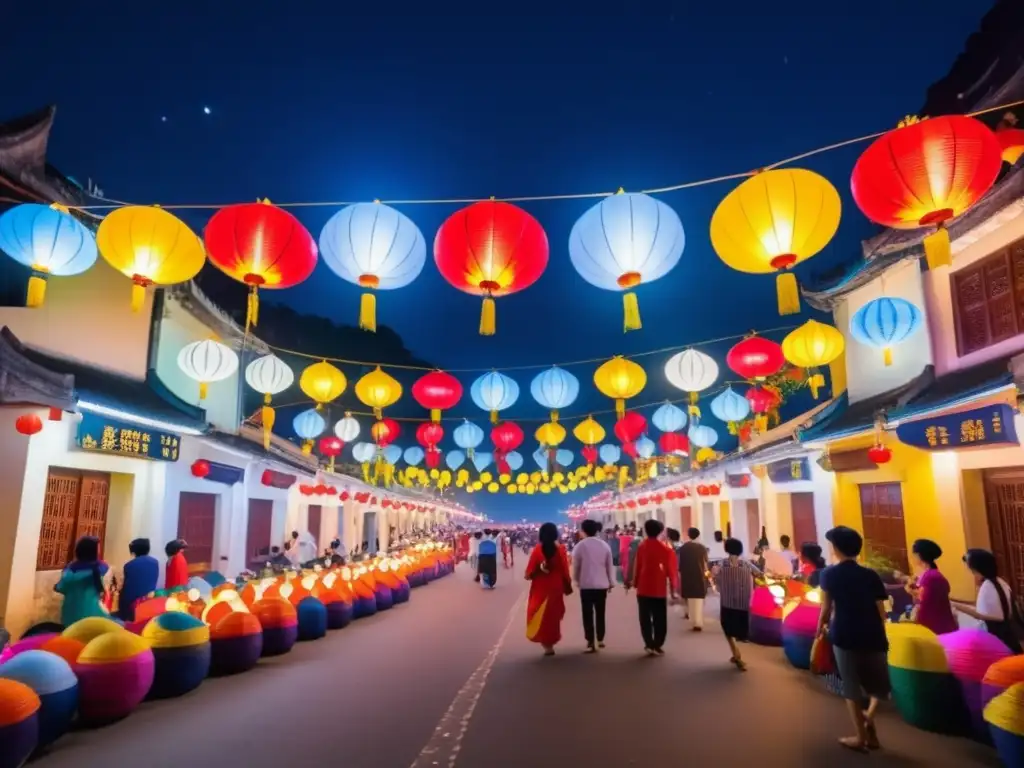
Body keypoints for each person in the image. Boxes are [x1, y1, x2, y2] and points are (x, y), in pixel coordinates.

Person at [816, 526, 890, 753]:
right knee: (879, 687)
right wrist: (884, 632)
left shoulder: (829, 574)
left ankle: (860, 736)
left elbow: (826, 607)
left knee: (851, 686)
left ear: (836, 548)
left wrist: (818, 631)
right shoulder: (870, 575)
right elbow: (881, 610)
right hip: (874, 633)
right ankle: (870, 722)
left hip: (845, 633)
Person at [952, 549, 1022, 653]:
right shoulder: (1000, 582)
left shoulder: (988, 586)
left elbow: (981, 615)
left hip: (996, 635)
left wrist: (955, 605)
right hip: (1008, 633)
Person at [626, 519, 679, 655]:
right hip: (659, 589)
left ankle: (648, 643)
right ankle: (658, 644)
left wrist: (635, 582)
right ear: (660, 531)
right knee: (660, 618)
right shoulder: (667, 550)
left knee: (644, 618)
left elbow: (638, 567)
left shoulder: (642, 547)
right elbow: (672, 573)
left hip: (643, 588)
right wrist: (674, 590)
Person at [525, 522, 571, 656]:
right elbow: (565, 570)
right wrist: (567, 585)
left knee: (538, 613)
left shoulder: (537, 550)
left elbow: (528, 573)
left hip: (540, 587)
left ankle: (546, 644)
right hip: (555, 586)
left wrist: (538, 570)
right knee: (553, 615)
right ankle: (550, 642)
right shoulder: (561, 549)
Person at [572, 518, 615, 653]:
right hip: (602, 585)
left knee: (587, 613)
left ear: (583, 531)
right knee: (600, 612)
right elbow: (609, 565)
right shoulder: (604, 545)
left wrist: (576, 580)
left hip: (586, 585)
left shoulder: (580, 546)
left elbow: (576, 566)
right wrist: (611, 582)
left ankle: (590, 640)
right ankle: (600, 639)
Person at [712, 538, 754, 671]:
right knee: (740, 629)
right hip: (743, 603)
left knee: (728, 629)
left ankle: (736, 653)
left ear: (726, 549)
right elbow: (760, 574)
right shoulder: (747, 564)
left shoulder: (721, 564)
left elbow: (716, 580)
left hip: (727, 603)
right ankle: (736, 653)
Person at [906, 539, 957, 635]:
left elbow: (924, 603)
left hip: (935, 629)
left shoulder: (930, 577)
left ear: (918, 555)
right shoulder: (929, 575)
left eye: (912, 553)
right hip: (939, 626)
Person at [55, 536, 109, 626]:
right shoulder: (101, 567)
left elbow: (60, 587)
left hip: (70, 613)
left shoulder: (69, 569)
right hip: (93, 612)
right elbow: (105, 590)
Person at [116, 538, 159, 621]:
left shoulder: (129, 565)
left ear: (134, 551)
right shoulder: (155, 562)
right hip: (149, 599)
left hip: (132, 603)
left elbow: (127, 587)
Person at [677, 527, 708, 631]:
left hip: (687, 576)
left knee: (690, 599)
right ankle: (698, 622)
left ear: (689, 535)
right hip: (699, 575)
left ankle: (693, 620)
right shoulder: (702, 548)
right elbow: (705, 563)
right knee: (698, 599)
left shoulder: (683, 548)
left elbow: (680, 564)